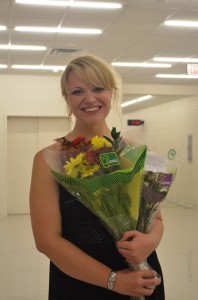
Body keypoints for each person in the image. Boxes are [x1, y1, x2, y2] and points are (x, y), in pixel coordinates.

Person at [29, 54, 165, 300]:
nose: (89, 98)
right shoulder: (49, 159)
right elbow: (47, 241)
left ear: (111, 94)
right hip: (81, 283)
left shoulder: (135, 152)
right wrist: (115, 282)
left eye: (98, 88)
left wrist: (150, 241)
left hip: (141, 279)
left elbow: (156, 218)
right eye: (78, 91)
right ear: (68, 100)